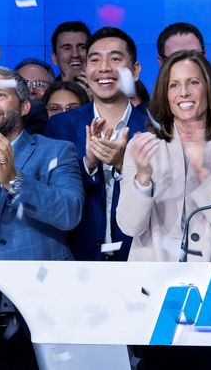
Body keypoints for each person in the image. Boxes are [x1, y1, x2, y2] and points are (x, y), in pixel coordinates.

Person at [0, 66, 83, 361]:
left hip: (45, 320)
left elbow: (69, 212)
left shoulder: (58, 152)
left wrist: (14, 179)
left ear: (24, 106)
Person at [117, 50, 211, 262]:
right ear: (165, 94)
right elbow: (129, 226)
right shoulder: (142, 146)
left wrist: (203, 174)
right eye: (174, 85)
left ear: (208, 88)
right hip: (151, 277)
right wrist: (142, 178)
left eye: (193, 83)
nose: (184, 92)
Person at [45, 27, 146, 261]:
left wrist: (124, 164)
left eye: (115, 58)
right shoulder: (61, 127)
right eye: (95, 59)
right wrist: (88, 164)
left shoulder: (156, 128)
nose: (104, 68)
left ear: (135, 71)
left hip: (140, 256)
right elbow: (52, 196)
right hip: (77, 257)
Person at [50, 21, 91, 95]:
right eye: (67, 48)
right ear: (54, 58)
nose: (75, 54)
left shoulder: (108, 91)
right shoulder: (45, 95)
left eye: (82, 47)